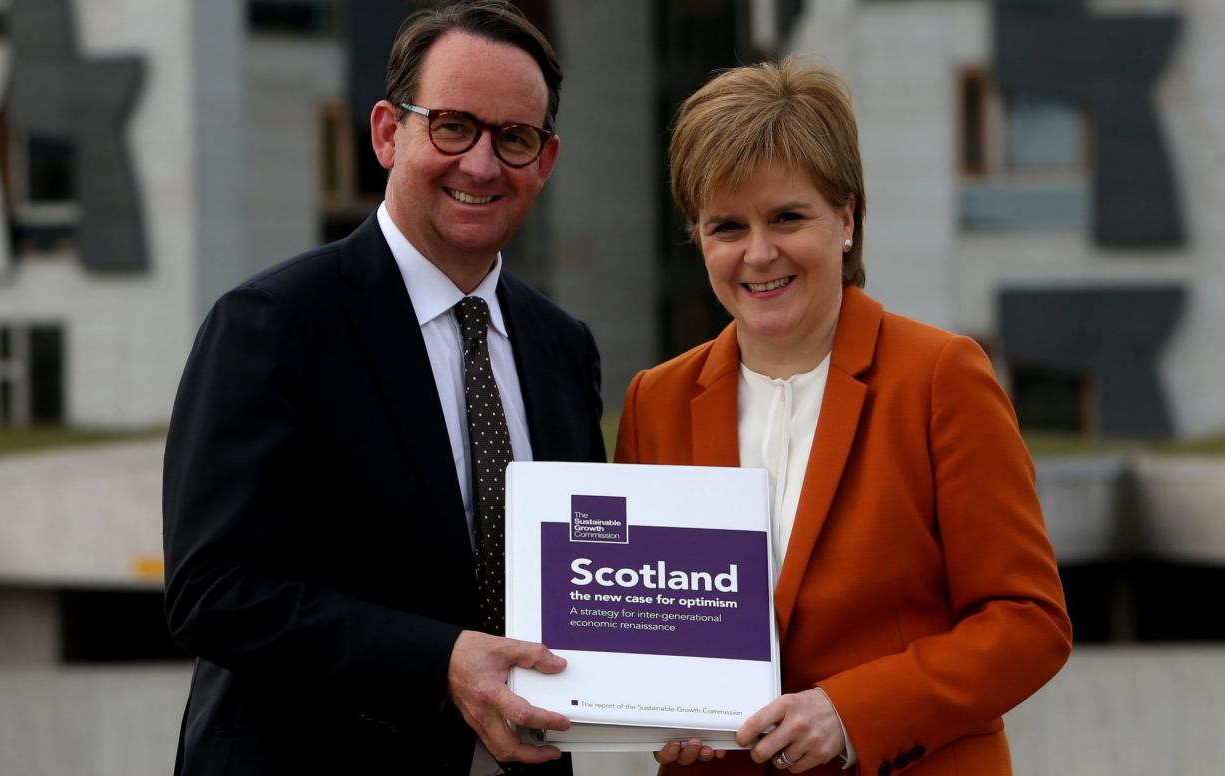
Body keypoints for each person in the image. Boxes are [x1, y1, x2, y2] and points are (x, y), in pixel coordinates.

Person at [162, 3, 604, 774]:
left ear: (546, 160)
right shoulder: (272, 324)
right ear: (386, 132)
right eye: (453, 126)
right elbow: (213, 589)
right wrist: (441, 661)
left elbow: (584, 576)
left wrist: (675, 694)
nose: (481, 163)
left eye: (515, 137)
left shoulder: (562, 347)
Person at [614, 59, 1072, 775]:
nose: (758, 253)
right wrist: (647, 715)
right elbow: (641, 631)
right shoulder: (656, 401)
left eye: (787, 217)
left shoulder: (940, 378)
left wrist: (850, 712)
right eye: (726, 225)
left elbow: (1030, 624)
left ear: (848, 217)